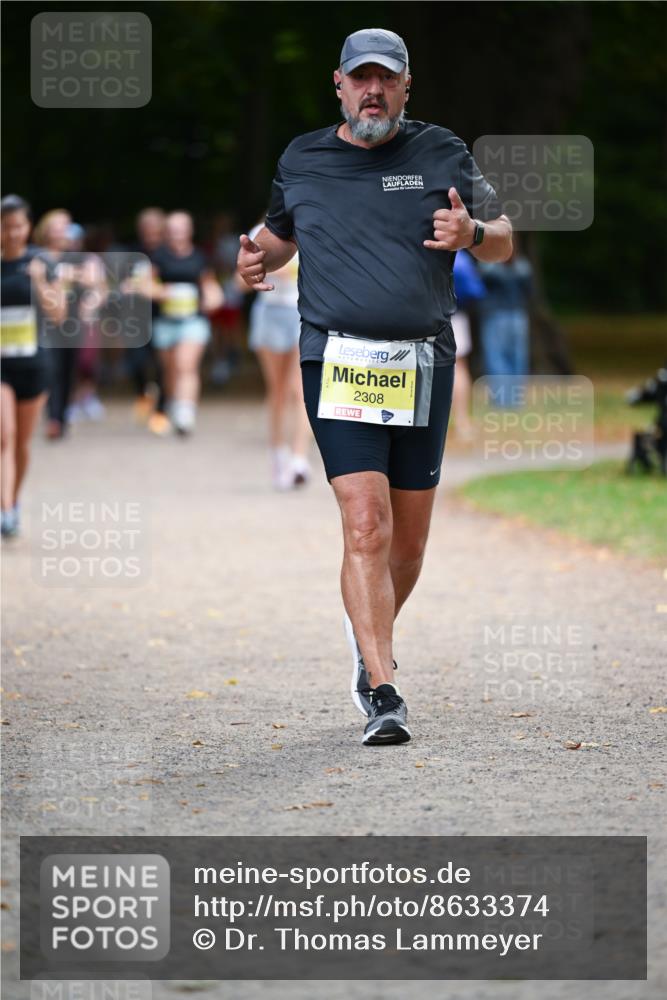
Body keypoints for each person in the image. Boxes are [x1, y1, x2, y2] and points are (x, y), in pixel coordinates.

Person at [237, 28, 512, 746]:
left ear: (405, 85)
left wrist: (472, 232)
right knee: (366, 523)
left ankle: (369, 633)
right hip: (335, 359)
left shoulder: (441, 150)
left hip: (422, 363)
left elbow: (507, 235)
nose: (372, 91)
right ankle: (382, 685)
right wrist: (251, 260)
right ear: (338, 84)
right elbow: (277, 235)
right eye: (360, 79)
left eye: (385, 79)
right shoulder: (303, 157)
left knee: (407, 545)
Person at [1, 194, 65, 536]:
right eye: (6, 227)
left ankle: (13, 499)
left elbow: (59, 314)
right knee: (2, 435)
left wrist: (39, 281)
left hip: (33, 364)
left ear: (28, 227)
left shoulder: (42, 262)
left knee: (21, 442)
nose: (13, 234)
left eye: (19, 226)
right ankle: (5, 509)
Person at [238, 220, 311, 490]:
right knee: (277, 390)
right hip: (270, 314)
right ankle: (278, 453)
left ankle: (299, 459)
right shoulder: (259, 233)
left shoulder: (313, 228)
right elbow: (240, 280)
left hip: (302, 312)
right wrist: (266, 273)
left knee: (299, 389)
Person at [145, 211, 223, 434]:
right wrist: (162, 292)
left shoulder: (199, 256)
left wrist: (213, 297)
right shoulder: (158, 256)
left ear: (190, 231)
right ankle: (172, 405)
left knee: (185, 364)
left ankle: (186, 413)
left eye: (181, 229)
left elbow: (208, 284)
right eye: (173, 230)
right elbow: (146, 285)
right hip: (165, 322)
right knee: (170, 369)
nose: (177, 234)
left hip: (193, 320)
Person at [478, 240, 533, 407]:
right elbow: (529, 292)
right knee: (518, 358)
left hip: (496, 316)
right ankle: (516, 400)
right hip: (519, 317)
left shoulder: (489, 268)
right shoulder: (524, 267)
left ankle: (501, 401)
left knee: (496, 357)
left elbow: (477, 287)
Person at [450, 249, 486, 440]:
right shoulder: (459, 257)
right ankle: (462, 421)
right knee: (460, 368)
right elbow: (476, 291)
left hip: (422, 318)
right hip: (456, 317)